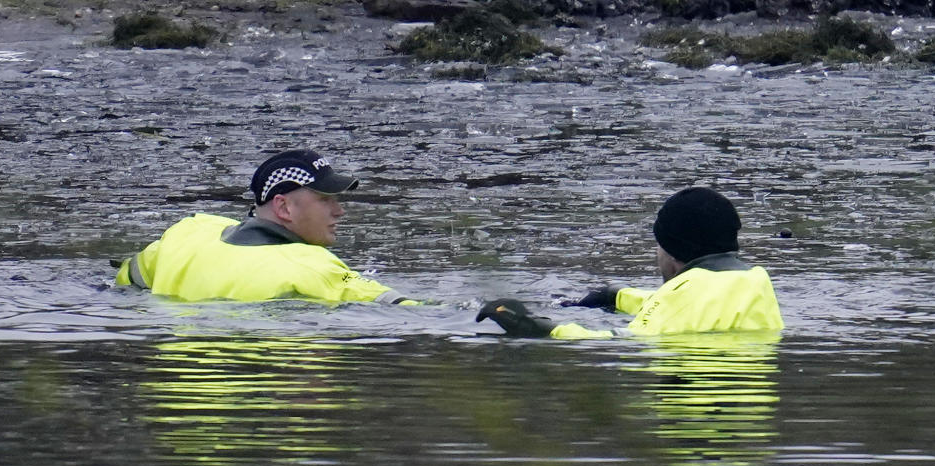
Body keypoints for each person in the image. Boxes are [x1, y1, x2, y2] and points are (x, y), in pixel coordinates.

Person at [114, 149, 417, 305]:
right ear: (284, 207)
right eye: (325, 200)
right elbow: (402, 309)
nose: (340, 211)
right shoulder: (312, 267)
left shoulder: (190, 233)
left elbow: (129, 278)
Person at [476, 186, 784, 338]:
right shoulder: (755, 280)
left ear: (673, 251)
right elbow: (692, 307)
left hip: (691, 394)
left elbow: (618, 341)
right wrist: (619, 295)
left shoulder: (682, 297)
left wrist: (537, 327)